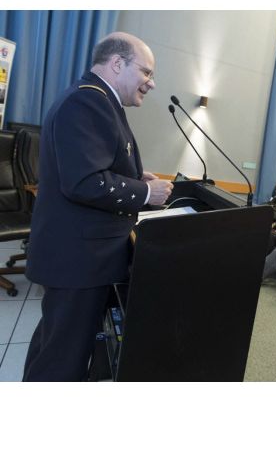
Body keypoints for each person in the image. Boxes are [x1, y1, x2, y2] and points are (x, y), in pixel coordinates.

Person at [23, 32, 174, 381]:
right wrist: (144, 192)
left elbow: (93, 164)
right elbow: (84, 182)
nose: (151, 83)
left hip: (82, 257)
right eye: (146, 72)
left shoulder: (97, 99)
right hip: (79, 261)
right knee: (62, 362)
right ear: (117, 63)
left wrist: (134, 175)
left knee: (54, 346)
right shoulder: (88, 102)